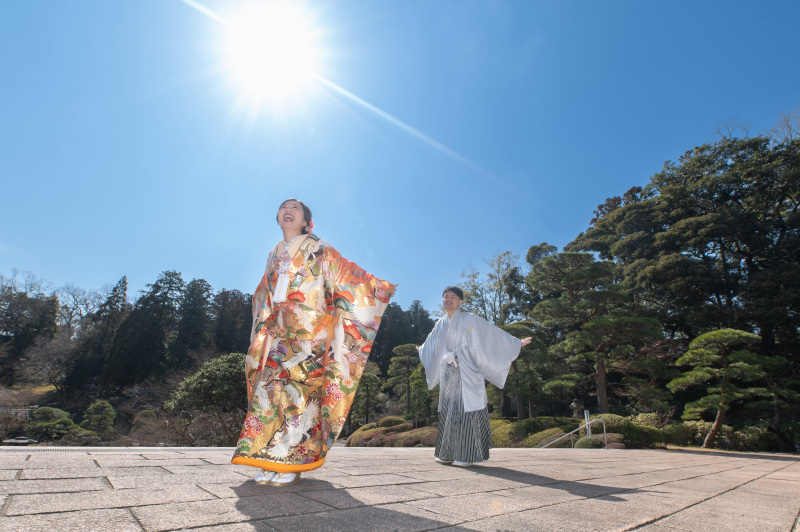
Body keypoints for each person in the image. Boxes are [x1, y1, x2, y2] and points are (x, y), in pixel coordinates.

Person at [231, 199, 395, 486]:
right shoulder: (274, 253)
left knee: (299, 397)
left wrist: (376, 289)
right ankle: (265, 457)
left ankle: (291, 463)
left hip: (310, 334)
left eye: (296, 207)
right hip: (278, 333)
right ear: (278, 217)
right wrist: (264, 322)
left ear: (307, 221)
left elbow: (346, 277)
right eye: (283, 207)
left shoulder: (320, 247)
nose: (288, 210)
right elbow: (263, 294)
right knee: (268, 396)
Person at [418, 286, 531, 466]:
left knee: (466, 410)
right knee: (449, 411)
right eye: (445, 296)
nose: (448, 299)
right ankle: (447, 452)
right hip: (449, 373)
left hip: (467, 372)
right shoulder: (440, 322)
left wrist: (515, 343)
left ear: (460, 302)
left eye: (453, 297)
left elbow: (491, 334)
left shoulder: (470, 319)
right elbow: (431, 343)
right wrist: (422, 350)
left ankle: (467, 455)